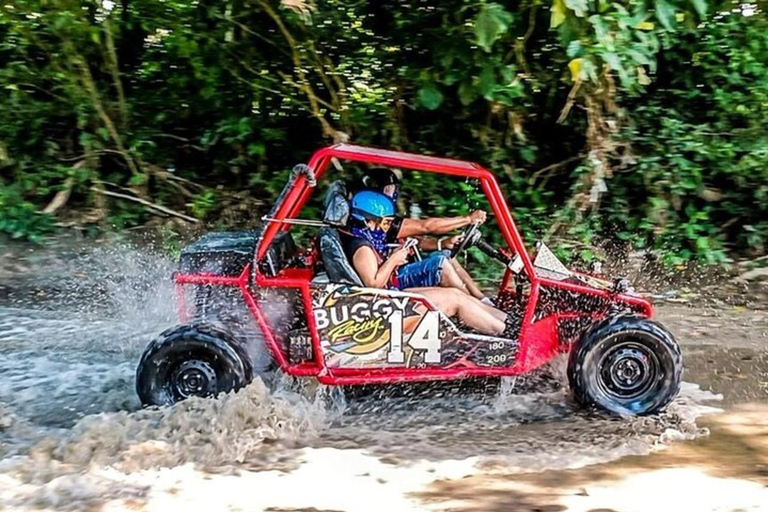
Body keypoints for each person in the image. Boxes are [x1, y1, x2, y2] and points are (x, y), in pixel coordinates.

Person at [342, 190, 507, 336]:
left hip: (392, 299)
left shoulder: (365, 240)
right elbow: (374, 286)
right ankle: (508, 336)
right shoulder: (361, 247)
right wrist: (394, 260)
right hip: (385, 311)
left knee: (457, 294)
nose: (388, 228)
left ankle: (507, 321)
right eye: (385, 223)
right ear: (369, 221)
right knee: (455, 299)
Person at [361, 167, 492, 304]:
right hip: (393, 278)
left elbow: (415, 241)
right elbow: (426, 227)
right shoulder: (378, 222)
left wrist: (442, 243)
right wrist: (467, 219)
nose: (392, 194)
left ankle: (482, 300)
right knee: (439, 264)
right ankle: (474, 308)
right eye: (388, 189)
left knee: (446, 254)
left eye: (393, 189)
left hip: (399, 269)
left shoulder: (382, 219)